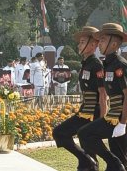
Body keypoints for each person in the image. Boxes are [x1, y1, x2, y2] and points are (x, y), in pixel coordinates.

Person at [53, 26, 106, 171]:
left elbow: (103, 94)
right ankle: (87, 162)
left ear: (93, 45)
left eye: (82, 42)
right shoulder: (86, 64)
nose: (79, 45)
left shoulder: (96, 65)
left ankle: (88, 162)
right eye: (80, 42)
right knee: (62, 134)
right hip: (85, 111)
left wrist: (101, 119)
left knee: (63, 133)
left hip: (92, 112)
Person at [78, 23, 127, 171]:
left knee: (85, 133)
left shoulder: (120, 65)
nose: (99, 44)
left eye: (104, 40)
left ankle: (115, 164)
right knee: (118, 154)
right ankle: (115, 164)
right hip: (113, 115)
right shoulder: (108, 65)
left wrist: (123, 123)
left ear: (113, 44)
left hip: (120, 117)